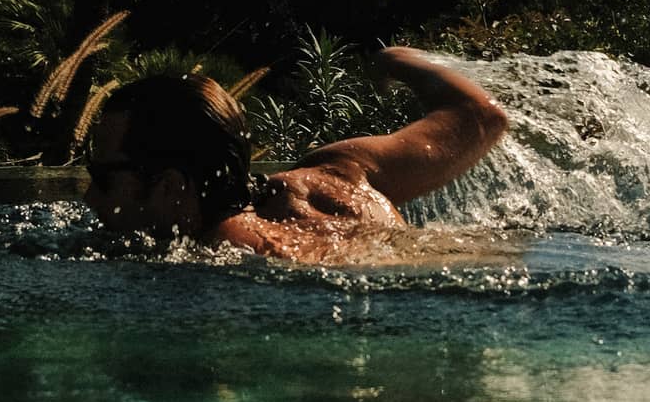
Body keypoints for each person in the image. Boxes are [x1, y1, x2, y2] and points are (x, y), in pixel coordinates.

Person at [82, 46, 508, 262]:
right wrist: (396, 62)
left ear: (172, 185)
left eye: (102, 177)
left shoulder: (241, 264)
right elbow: (480, 116)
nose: (89, 198)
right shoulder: (340, 175)